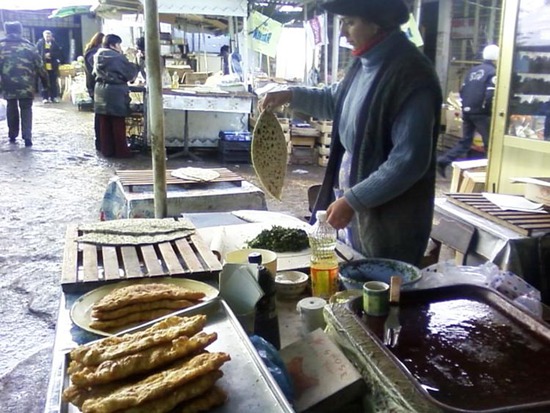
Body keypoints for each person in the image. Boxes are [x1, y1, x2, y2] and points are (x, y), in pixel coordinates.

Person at [259, 0, 442, 267]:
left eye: (350, 22)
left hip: (389, 221)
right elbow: (335, 100)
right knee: (350, 286)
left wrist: (354, 200)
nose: (343, 32)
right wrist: (291, 94)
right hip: (355, 208)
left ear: (378, 22)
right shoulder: (364, 63)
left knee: (380, 295)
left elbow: (409, 160)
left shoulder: (411, 75)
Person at [437, 44, 499, 177]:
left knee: (465, 141)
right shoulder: (492, 72)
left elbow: (463, 91)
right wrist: (489, 110)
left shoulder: (473, 71)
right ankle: (490, 174)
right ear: (496, 58)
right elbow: (489, 94)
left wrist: (466, 106)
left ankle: (443, 161)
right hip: (481, 113)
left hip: (467, 110)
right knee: (491, 143)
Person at [0, 21, 49, 147]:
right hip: (27, 85)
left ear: (6, 31)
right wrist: (46, 84)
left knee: (11, 107)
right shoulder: (29, 46)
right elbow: (40, 67)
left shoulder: (1, 46)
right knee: (26, 109)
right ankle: (27, 137)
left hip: (7, 84)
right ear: (20, 31)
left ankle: (12, 135)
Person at [93, 34, 138, 158]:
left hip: (100, 91)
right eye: (119, 44)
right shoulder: (117, 57)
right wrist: (133, 61)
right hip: (115, 91)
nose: (120, 47)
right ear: (113, 45)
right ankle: (121, 151)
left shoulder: (97, 55)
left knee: (104, 123)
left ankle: (107, 150)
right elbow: (129, 74)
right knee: (118, 123)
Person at [84, 32, 104, 150]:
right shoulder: (93, 54)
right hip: (95, 88)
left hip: (94, 87)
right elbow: (98, 70)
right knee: (99, 115)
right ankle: (99, 141)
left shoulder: (91, 52)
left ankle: (100, 141)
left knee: (99, 114)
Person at [36, 30, 63, 103]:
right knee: (43, 82)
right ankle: (45, 97)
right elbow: (36, 54)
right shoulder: (40, 44)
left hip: (53, 66)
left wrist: (51, 55)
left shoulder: (54, 44)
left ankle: (53, 97)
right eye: (46, 36)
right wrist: (43, 56)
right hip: (43, 66)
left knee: (53, 82)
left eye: (49, 36)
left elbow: (59, 53)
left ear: (51, 36)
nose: (48, 38)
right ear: (44, 36)